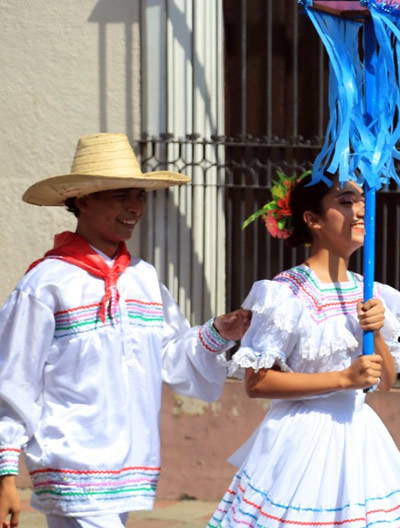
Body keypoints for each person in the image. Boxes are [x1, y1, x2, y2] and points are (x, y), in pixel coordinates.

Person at [0, 133, 250, 528]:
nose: (134, 207)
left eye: (140, 196)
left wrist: (219, 331)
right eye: (120, 196)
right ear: (83, 200)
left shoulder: (143, 278)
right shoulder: (47, 283)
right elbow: (14, 380)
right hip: (71, 460)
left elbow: (170, 357)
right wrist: (5, 475)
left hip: (126, 463)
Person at [208, 173, 400, 528]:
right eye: (345, 202)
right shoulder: (286, 292)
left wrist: (375, 330)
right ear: (312, 220)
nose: (360, 211)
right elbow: (257, 383)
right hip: (302, 441)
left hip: (361, 437)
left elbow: (384, 381)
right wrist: (343, 378)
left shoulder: (369, 291)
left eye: (361, 201)